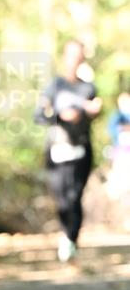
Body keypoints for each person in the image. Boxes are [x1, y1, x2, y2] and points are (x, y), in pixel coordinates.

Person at [34, 39, 101, 262]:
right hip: (57, 150)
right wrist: (59, 116)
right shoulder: (55, 86)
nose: (75, 59)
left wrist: (90, 111)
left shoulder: (88, 87)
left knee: (75, 196)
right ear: (65, 57)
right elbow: (39, 115)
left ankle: (71, 238)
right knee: (62, 199)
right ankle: (66, 234)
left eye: (79, 55)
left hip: (81, 149)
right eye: (72, 55)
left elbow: (96, 112)